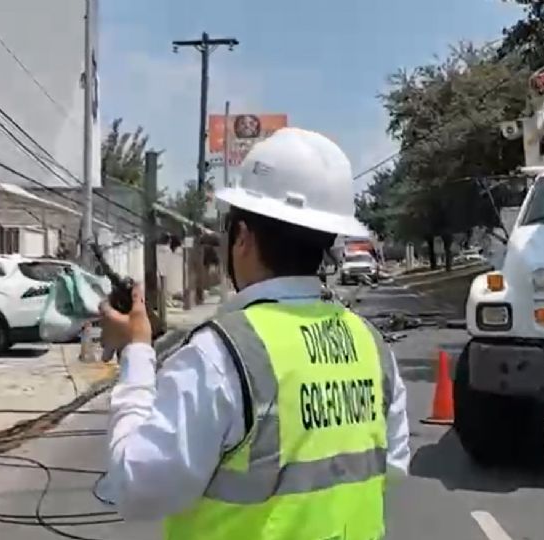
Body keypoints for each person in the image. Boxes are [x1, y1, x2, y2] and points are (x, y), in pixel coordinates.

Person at [98, 127, 411, 539]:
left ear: (242, 237)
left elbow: (138, 487)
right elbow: (392, 468)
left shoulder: (222, 353)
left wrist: (136, 353)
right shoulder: (371, 345)